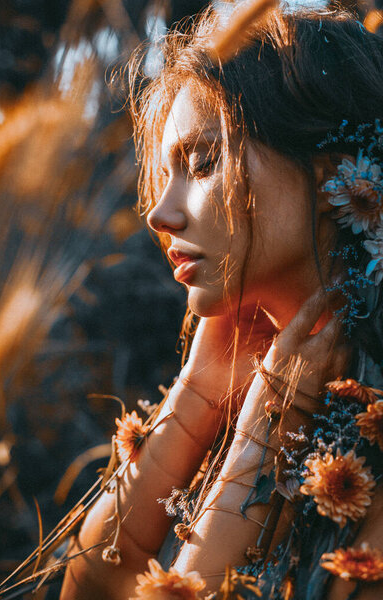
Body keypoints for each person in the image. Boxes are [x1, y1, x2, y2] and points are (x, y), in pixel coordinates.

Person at [60, 6, 383, 599]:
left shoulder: (371, 436)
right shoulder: (230, 390)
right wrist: (199, 397)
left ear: (333, 173)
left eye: (202, 163)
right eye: (165, 174)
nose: (160, 214)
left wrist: (259, 448)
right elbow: (85, 587)